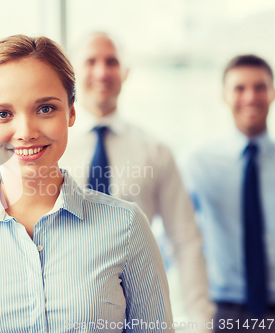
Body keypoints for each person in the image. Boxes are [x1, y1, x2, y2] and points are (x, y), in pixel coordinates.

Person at [0, 35, 173, 332]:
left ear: (71, 111)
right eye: (3, 114)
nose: (26, 131)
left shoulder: (128, 227)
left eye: (45, 108)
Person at [59, 31, 214, 324]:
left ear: (126, 72)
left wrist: (200, 322)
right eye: (91, 61)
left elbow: (185, 240)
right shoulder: (51, 149)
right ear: (73, 71)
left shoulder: (155, 152)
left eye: (112, 62)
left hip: (139, 311)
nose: (102, 72)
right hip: (67, 311)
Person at [184, 55, 275, 331]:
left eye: (260, 87)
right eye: (239, 88)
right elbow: (178, 239)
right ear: (224, 95)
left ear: (272, 93)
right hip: (223, 312)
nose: (250, 97)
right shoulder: (199, 164)